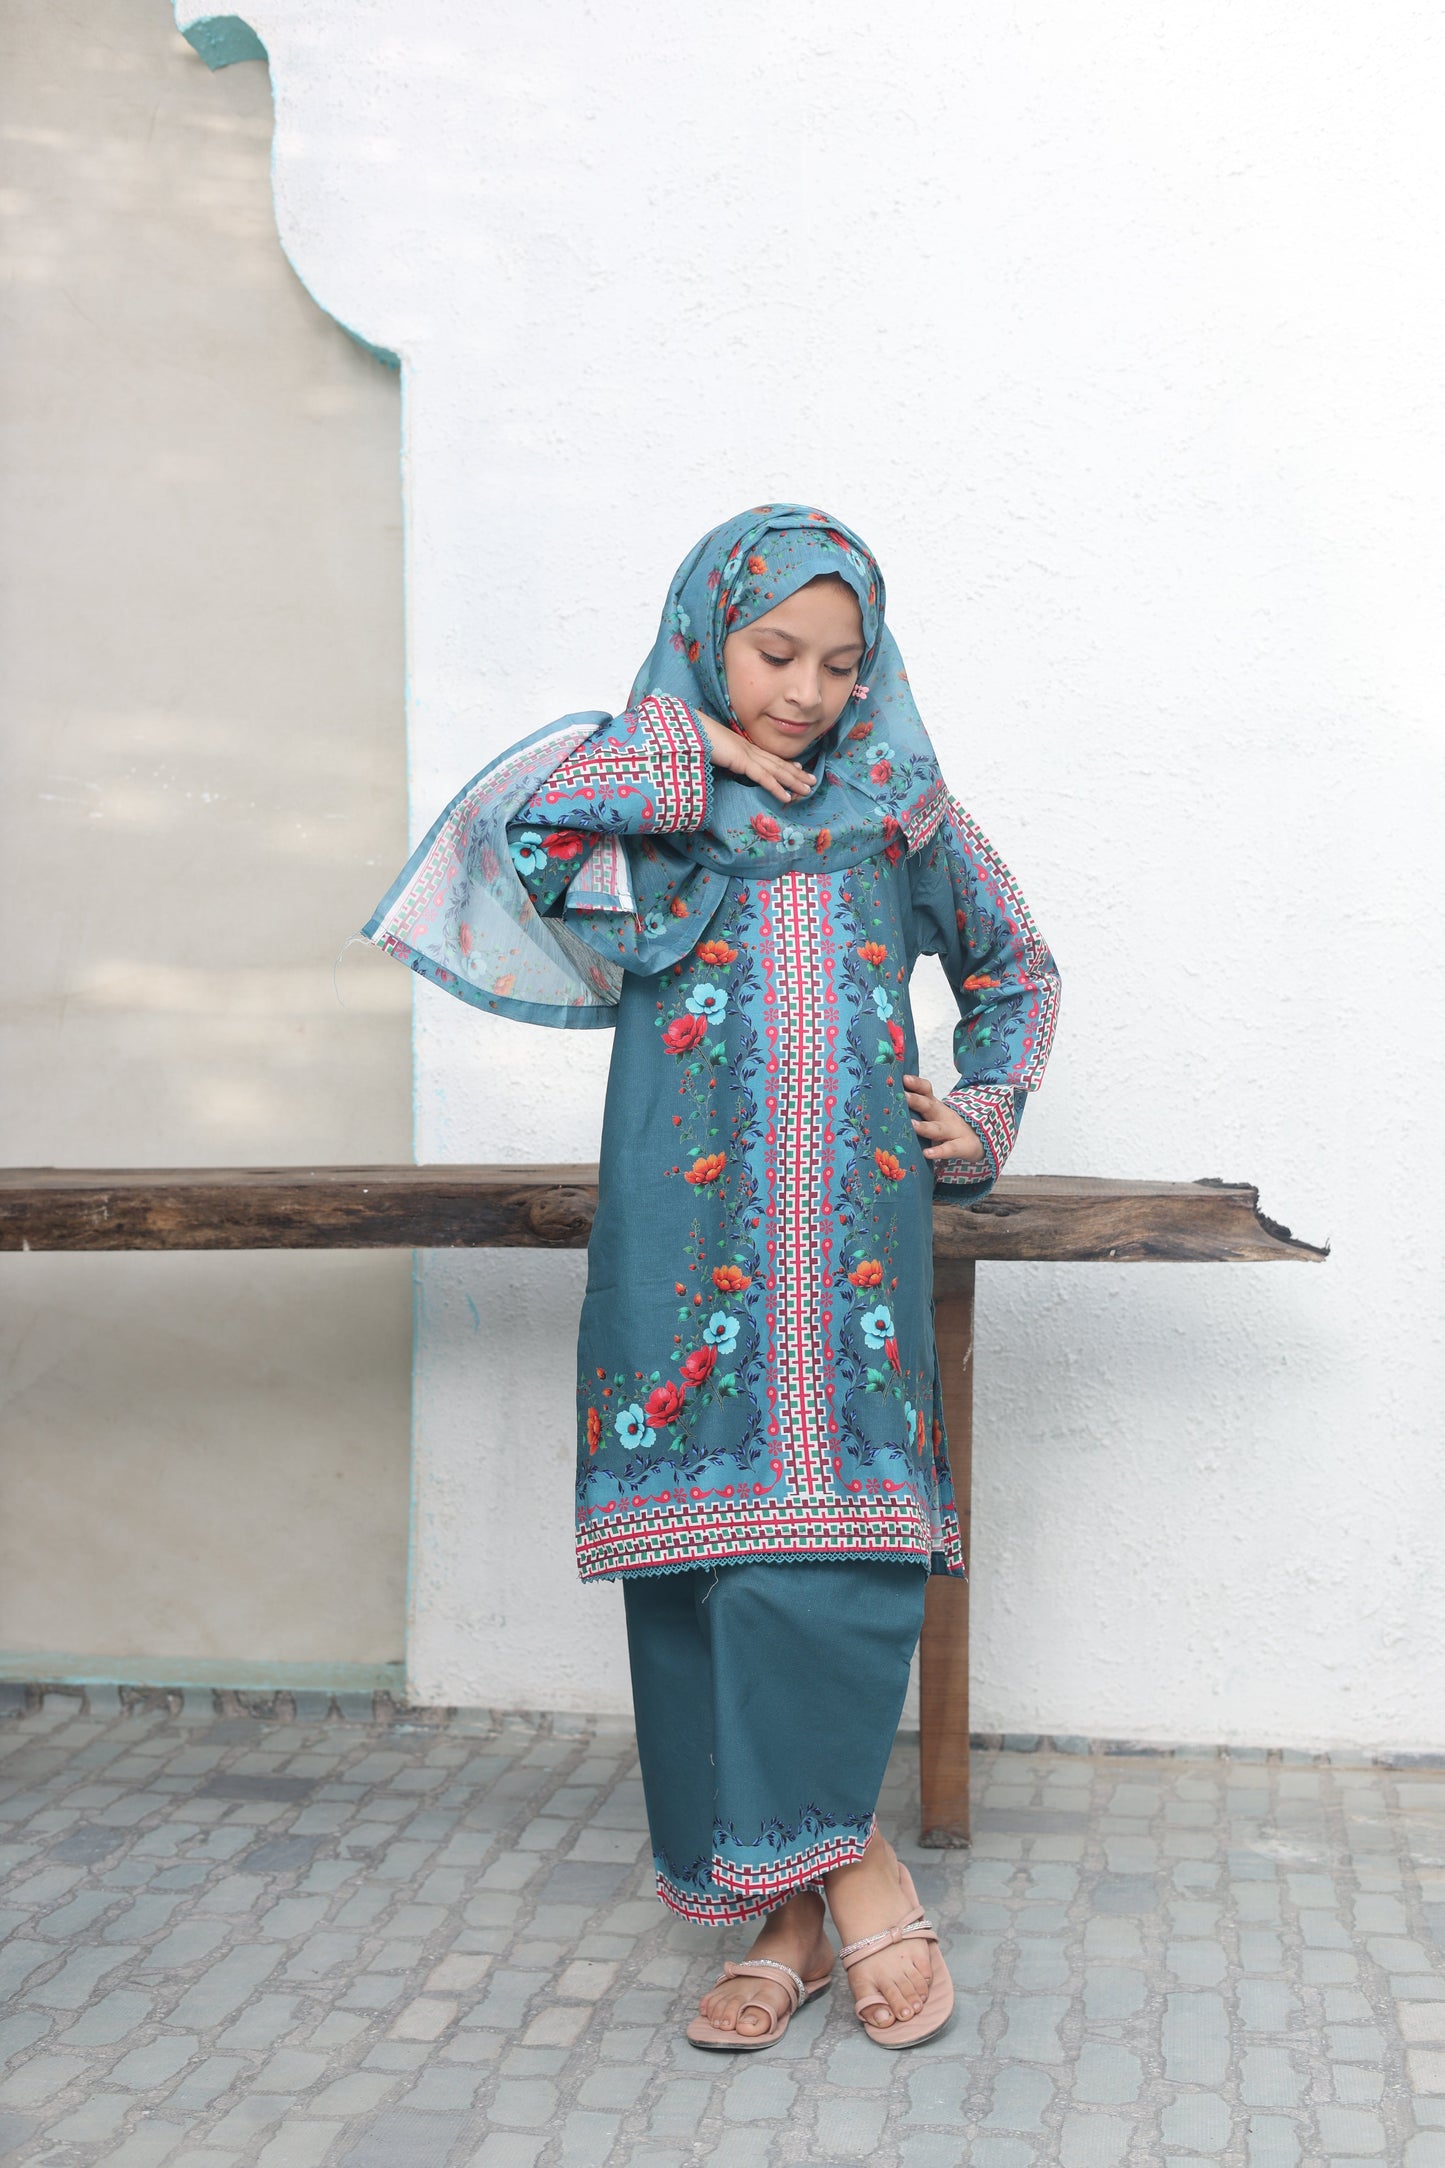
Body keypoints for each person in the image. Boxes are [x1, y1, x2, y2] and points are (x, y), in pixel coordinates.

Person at [363, 504, 1061, 2051]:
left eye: (839, 661)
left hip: (853, 1244)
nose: (804, 694)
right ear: (705, 636)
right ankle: (814, 1893)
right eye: (770, 652)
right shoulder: (646, 806)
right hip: (686, 1249)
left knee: (834, 1554)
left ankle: (808, 1896)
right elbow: (503, 836)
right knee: (697, 1564)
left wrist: (984, 1104)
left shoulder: (900, 809)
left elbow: (1016, 967)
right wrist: (684, 758)